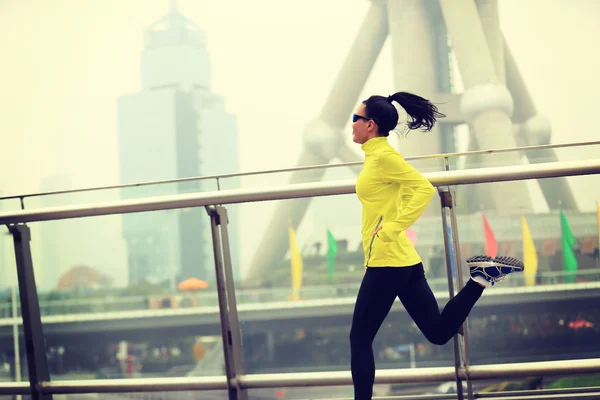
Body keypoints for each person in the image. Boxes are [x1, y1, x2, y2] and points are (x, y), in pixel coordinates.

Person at [349, 92, 524, 400]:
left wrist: (392, 227)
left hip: (387, 262)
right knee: (439, 332)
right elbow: (399, 193)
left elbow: (422, 188)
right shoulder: (376, 156)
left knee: (359, 339)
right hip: (404, 261)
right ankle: (481, 277)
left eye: (355, 119)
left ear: (370, 125)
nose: (351, 125)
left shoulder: (383, 157)